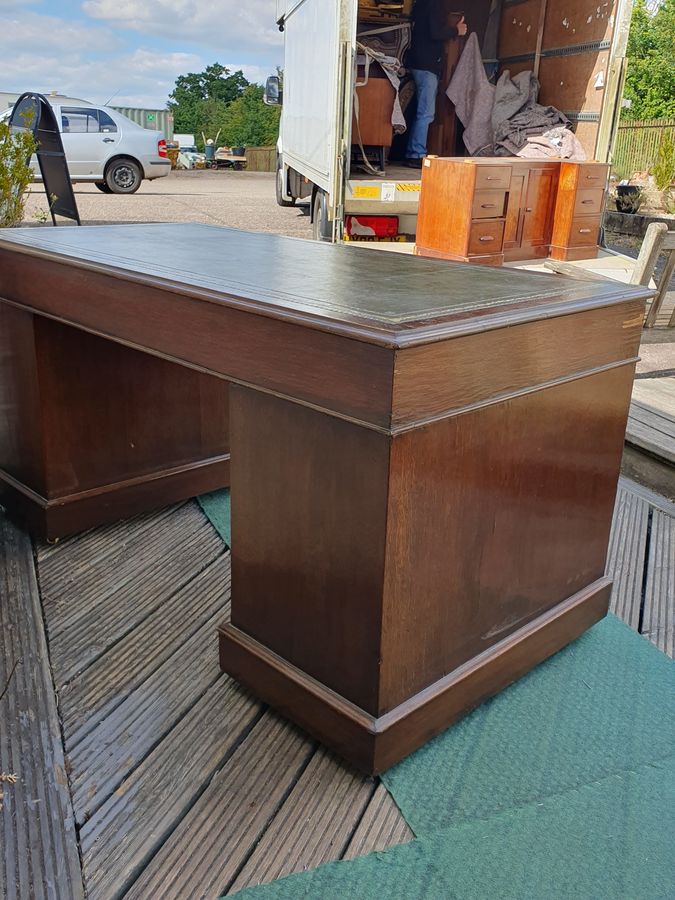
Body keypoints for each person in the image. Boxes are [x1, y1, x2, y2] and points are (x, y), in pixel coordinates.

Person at [405, 2, 467, 167]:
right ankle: (415, 154)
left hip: (418, 62)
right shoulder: (434, 4)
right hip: (427, 65)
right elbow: (435, 32)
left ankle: (413, 151)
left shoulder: (422, 5)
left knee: (420, 112)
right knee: (426, 113)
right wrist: (456, 30)